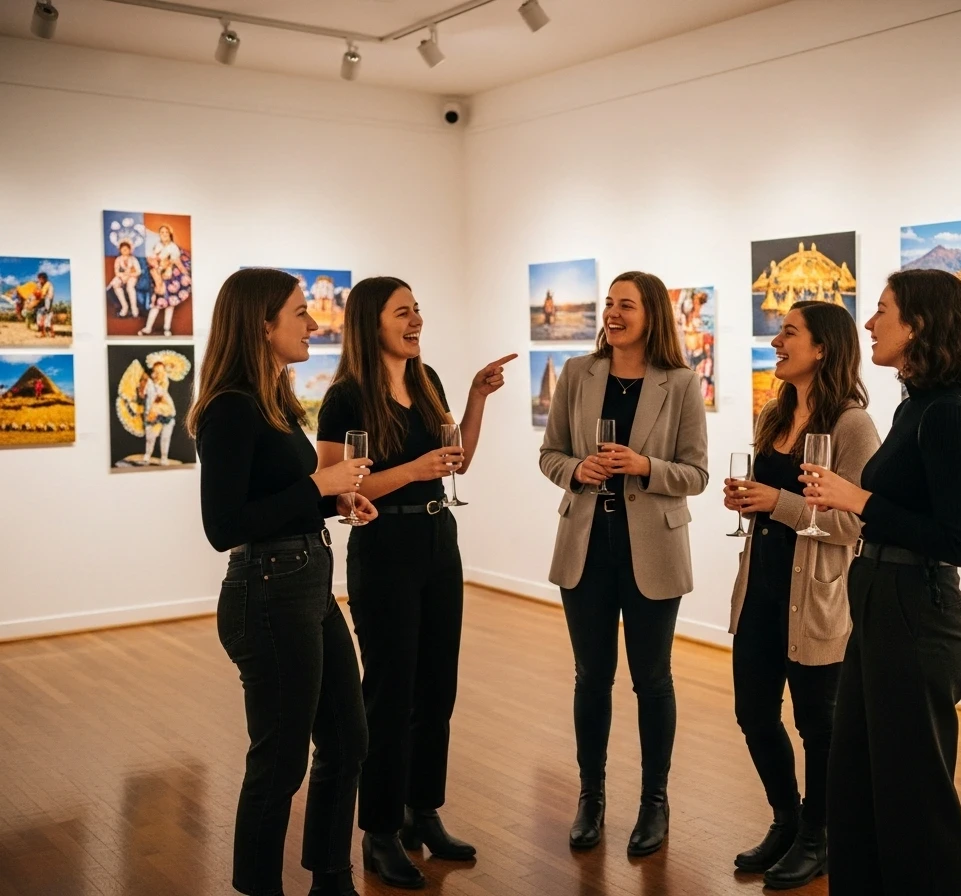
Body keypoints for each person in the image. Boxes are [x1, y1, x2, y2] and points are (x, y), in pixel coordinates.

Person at [315, 276, 516, 889]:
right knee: (389, 693)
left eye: (417, 310)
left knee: (437, 691)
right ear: (372, 323)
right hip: (384, 550)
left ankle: (421, 813)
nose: (415, 320)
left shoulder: (427, 383)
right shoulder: (345, 397)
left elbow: (456, 461)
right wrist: (413, 470)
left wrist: (478, 397)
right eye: (403, 312)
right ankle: (378, 832)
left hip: (437, 544)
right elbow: (335, 486)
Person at [188, 267, 377, 896]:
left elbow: (281, 498)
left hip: (307, 581)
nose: (314, 322)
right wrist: (316, 487)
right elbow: (224, 526)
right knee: (279, 761)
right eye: (301, 312)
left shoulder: (273, 399)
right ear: (262, 324)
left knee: (348, 740)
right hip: (266, 592)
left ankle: (331, 877)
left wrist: (334, 502)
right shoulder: (231, 409)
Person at [801, 268, 961, 895]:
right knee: (855, 785)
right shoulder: (914, 407)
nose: (870, 323)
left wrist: (859, 498)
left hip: (919, 613)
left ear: (919, 325)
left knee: (914, 802)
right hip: (880, 603)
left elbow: (959, 540)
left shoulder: (950, 415)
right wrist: (853, 502)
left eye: (882, 310)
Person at [539, 270, 708, 856]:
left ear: (651, 315)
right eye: (608, 304)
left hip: (652, 547)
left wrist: (643, 466)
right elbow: (551, 453)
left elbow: (697, 474)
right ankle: (592, 798)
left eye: (625, 305)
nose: (612, 313)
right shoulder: (577, 374)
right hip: (586, 542)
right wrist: (575, 469)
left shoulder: (681, 384)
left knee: (652, 680)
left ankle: (654, 803)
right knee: (591, 677)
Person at [723, 301, 880, 889]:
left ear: (822, 348)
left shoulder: (852, 425)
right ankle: (786, 821)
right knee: (754, 714)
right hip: (760, 590)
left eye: (788, 333)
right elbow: (774, 502)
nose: (775, 342)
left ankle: (820, 836)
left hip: (814, 599)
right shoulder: (775, 413)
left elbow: (854, 524)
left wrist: (775, 503)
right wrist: (749, 501)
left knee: (820, 726)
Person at [141, 224, 191, 336]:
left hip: (170, 279)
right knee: (156, 304)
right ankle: (148, 328)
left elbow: (178, 263)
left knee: (170, 304)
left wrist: (186, 275)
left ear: (170, 234)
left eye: (166, 232)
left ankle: (166, 328)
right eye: (162, 232)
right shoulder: (157, 246)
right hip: (159, 278)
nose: (164, 234)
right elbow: (152, 261)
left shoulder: (173, 247)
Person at [141, 361, 177, 465]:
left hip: (166, 412)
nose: (158, 374)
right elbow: (143, 394)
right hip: (152, 413)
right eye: (156, 372)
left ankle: (164, 457)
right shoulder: (149, 383)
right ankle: (147, 455)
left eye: (160, 372)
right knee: (150, 437)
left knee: (165, 437)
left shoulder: (164, 383)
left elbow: (161, 395)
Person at [111, 241, 142, 318]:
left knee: (130, 287)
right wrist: (122, 276)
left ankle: (134, 309)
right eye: (123, 249)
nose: (125, 250)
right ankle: (124, 307)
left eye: (126, 249)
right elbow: (116, 271)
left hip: (132, 276)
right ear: (120, 250)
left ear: (130, 250)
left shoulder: (133, 259)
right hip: (122, 276)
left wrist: (129, 275)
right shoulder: (118, 259)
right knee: (115, 284)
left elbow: (138, 271)